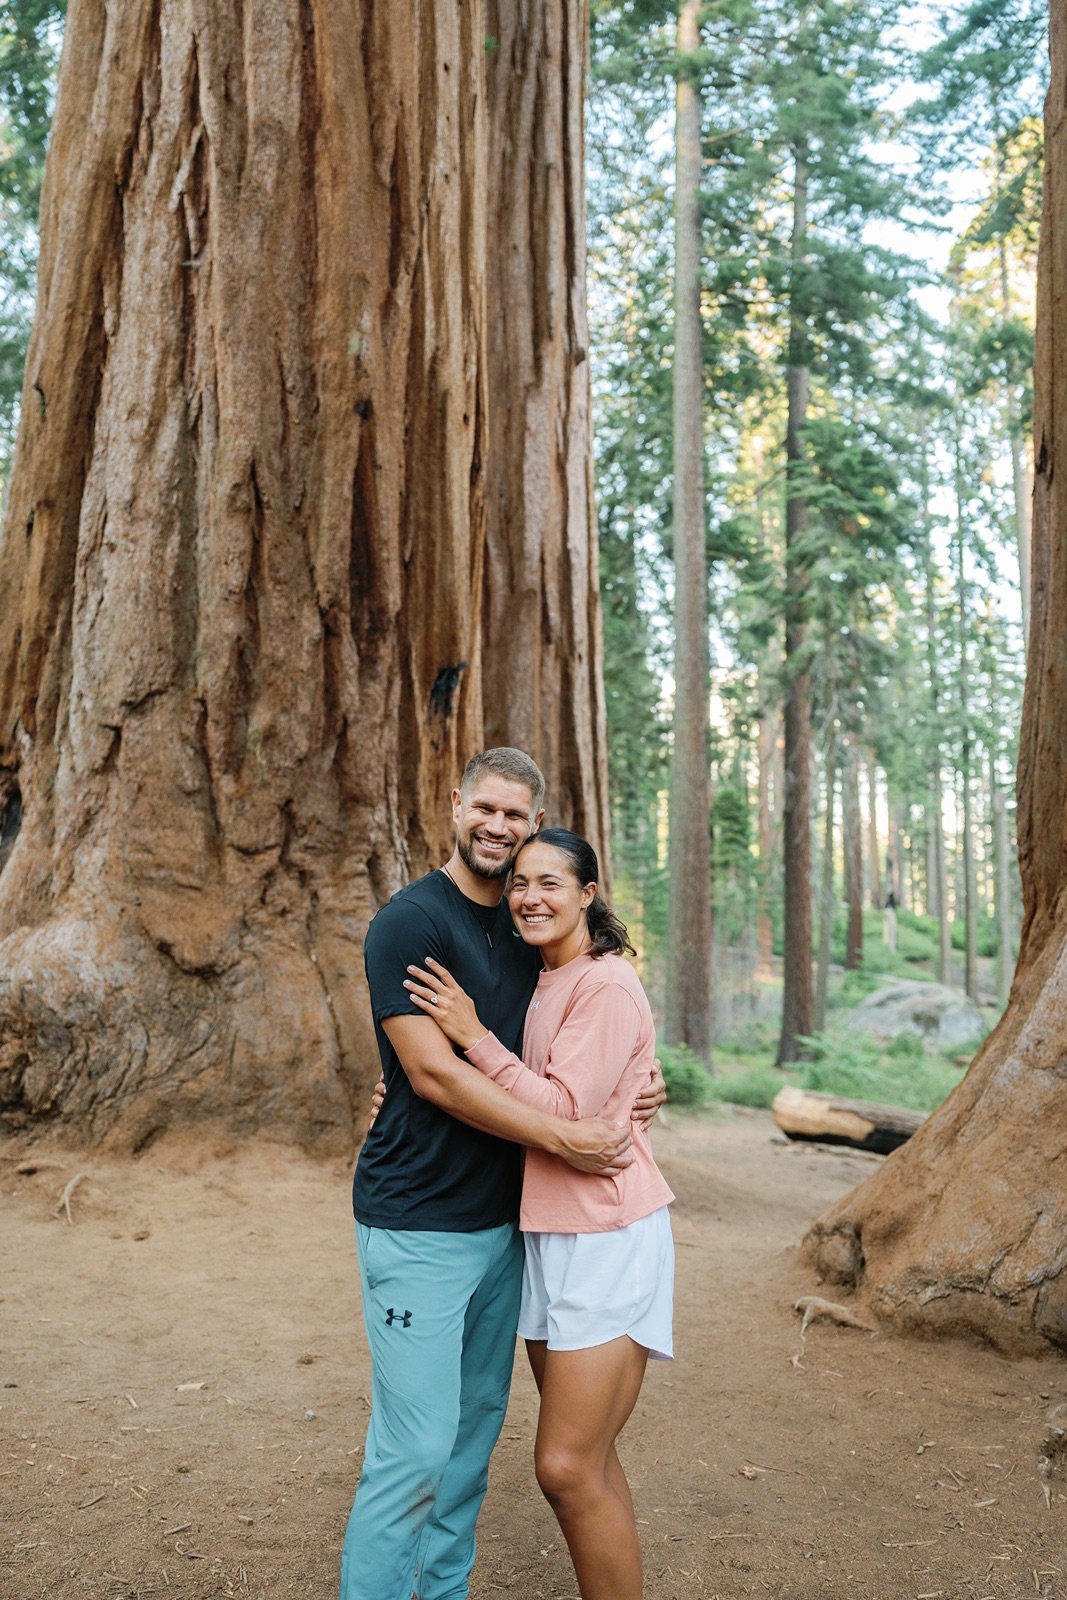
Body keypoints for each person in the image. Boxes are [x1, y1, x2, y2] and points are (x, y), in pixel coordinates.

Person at [341, 749, 664, 1600]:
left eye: (515, 817)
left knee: (471, 1440)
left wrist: (635, 1085)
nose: (498, 828)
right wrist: (569, 1136)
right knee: (412, 1449)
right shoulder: (410, 922)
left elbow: (573, 1047)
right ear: (455, 805)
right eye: (484, 808)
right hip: (419, 1222)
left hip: (510, 1229)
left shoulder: (534, 938)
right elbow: (435, 1075)